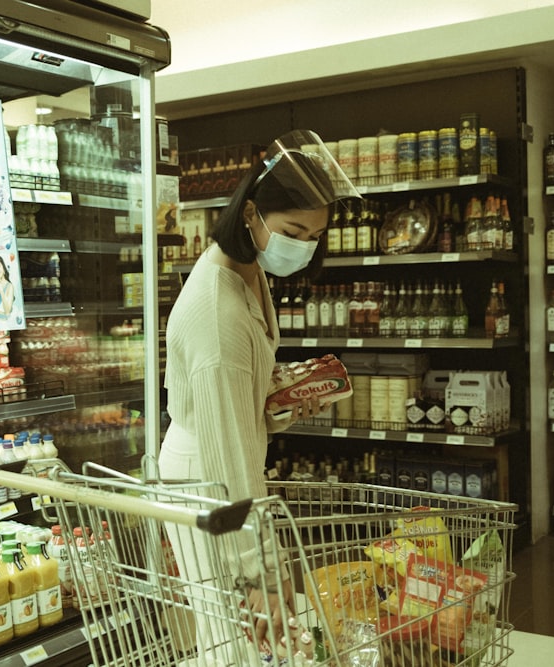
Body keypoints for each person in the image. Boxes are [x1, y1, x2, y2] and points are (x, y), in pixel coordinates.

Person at [158, 129, 359, 666]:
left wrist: (279, 406)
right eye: (294, 230)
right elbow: (226, 457)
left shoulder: (248, 269)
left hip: (226, 458)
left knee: (243, 637)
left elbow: (239, 409)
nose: (305, 245)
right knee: (233, 632)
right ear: (251, 214)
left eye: (316, 235)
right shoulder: (218, 314)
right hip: (208, 476)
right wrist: (257, 572)